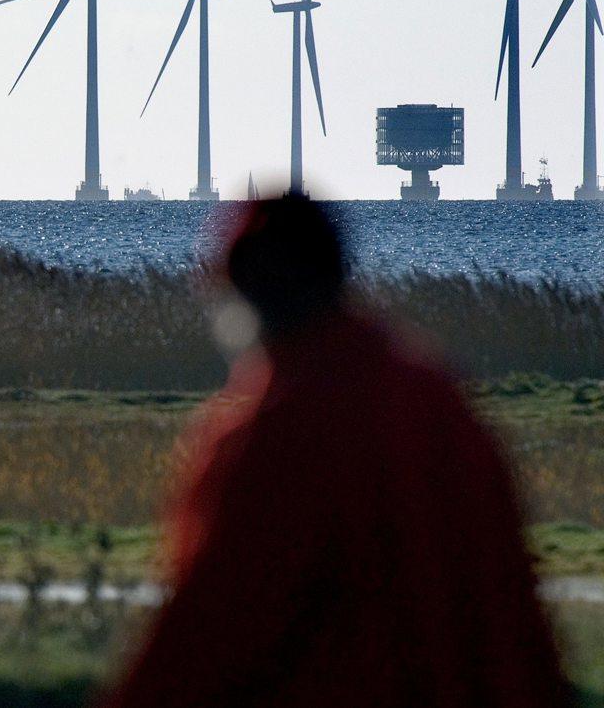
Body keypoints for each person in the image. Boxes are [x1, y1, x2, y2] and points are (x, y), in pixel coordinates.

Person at [101, 195, 568, 708]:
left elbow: (200, 636)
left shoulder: (268, 432)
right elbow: (517, 610)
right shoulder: (440, 400)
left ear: (245, 291)